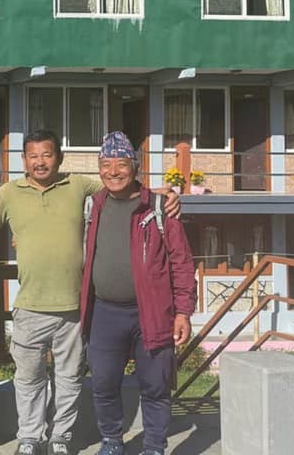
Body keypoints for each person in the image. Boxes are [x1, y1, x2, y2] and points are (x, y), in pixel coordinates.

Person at [0, 129, 180, 455]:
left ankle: (62, 438)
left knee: (72, 380)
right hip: (35, 306)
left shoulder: (79, 187)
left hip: (74, 307)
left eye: (47, 154)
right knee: (32, 379)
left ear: (59, 158)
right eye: (33, 156)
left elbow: (126, 188)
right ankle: (32, 438)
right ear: (23, 160)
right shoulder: (9, 193)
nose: (40, 162)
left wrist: (164, 194)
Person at [80, 132, 196, 455]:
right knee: (103, 383)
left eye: (120, 163)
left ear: (135, 166)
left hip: (153, 312)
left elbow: (182, 263)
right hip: (104, 312)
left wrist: (184, 312)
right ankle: (112, 441)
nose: (113, 171)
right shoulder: (93, 205)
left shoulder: (159, 207)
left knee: (155, 386)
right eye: (105, 164)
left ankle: (155, 447)